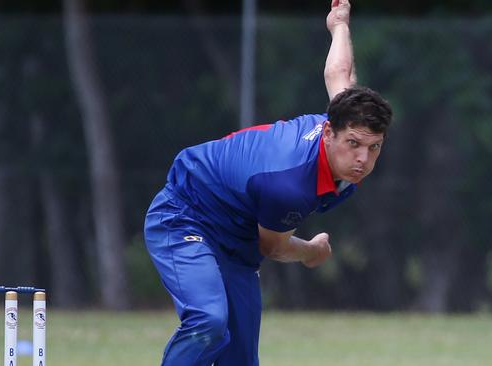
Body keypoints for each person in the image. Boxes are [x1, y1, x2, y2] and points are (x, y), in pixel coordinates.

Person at [143, 0, 392, 365]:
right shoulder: (289, 184)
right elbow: (273, 246)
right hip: (185, 217)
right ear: (327, 133)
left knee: (241, 359)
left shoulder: (343, 116)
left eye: (374, 148)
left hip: (238, 236)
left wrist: (339, 26)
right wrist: (312, 251)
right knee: (209, 323)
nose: (362, 160)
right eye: (353, 144)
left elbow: (340, 72)